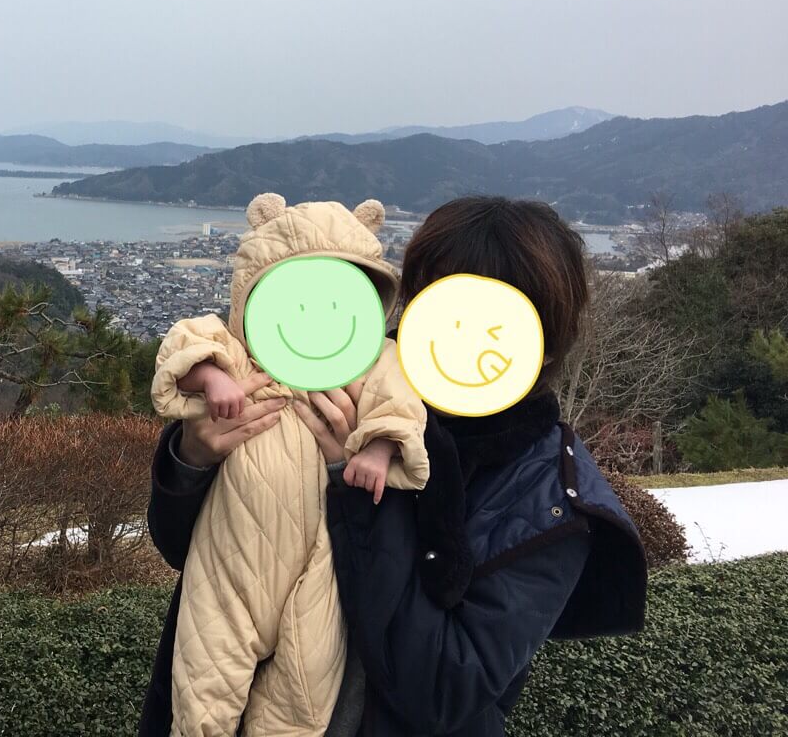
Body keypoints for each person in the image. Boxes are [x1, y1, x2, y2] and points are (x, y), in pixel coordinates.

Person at [140, 196, 647, 737]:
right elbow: (192, 548)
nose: (457, 338)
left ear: (544, 345)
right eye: (438, 305)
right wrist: (193, 459)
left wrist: (355, 490)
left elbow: (441, 690)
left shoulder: (548, 499)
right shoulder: (340, 361)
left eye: (493, 325)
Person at [151, 193, 429, 737]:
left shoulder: (377, 362)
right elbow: (185, 343)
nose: (316, 317)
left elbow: (400, 406)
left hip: (321, 561)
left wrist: (376, 448)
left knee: (305, 686)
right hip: (231, 548)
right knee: (205, 677)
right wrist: (213, 378)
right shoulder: (241, 353)